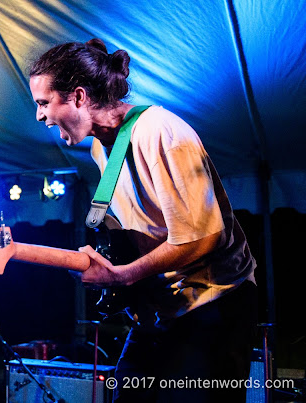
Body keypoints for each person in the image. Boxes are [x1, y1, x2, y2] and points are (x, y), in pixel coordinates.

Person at [28, 39, 257, 402]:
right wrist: (112, 258)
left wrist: (121, 275)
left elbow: (202, 237)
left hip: (212, 306)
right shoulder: (100, 146)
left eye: (43, 103)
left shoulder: (161, 132)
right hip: (162, 311)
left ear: (78, 97)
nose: (39, 116)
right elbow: (143, 226)